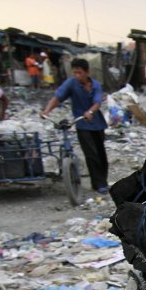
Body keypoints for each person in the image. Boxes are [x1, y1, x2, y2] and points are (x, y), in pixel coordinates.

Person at [41, 58, 109, 193]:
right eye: (75, 73)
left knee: (101, 154)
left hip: (97, 124)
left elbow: (97, 102)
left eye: (80, 73)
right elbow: (58, 97)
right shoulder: (71, 84)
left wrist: (90, 112)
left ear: (87, 72)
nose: (77, 76)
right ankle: (99, 184)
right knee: (91, 154)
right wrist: (47, 110)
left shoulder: (96, 85)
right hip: (82, 124)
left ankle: (102, 182)